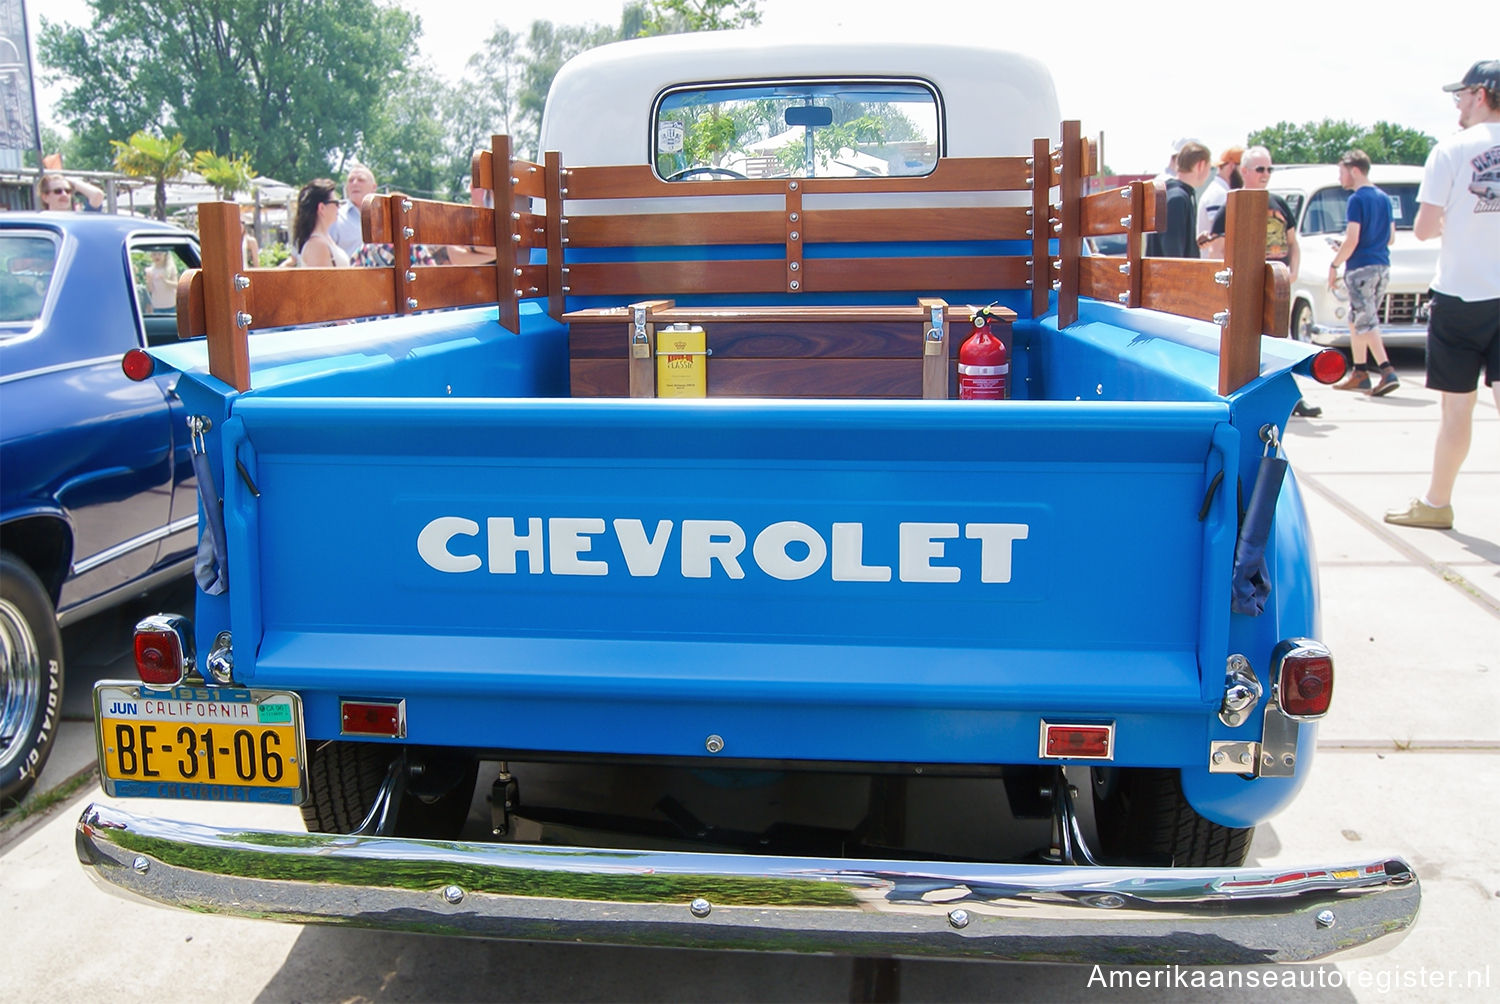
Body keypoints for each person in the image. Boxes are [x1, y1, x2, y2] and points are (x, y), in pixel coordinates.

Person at [1385, 59, 1500, 531]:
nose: (1458, 104)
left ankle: (1437, 503)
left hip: (1461, 294)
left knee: (1458, 406)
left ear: (1481, 94)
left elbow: (1426, 227)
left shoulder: (1451, 151)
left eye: (1461, 95)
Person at [1205, 145, 1321, 418]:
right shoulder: (1231, 206)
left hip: (1276, 284)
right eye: (1260, 169)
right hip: (1245, 287)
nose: (1266, 174)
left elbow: (1293, 242)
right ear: (1244, 171)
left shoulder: (1279, 205)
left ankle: (1292, 399)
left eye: (1270, 168)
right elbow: (1215, 249)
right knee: (1247, 346)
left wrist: (1292, 272)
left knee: (1281, 341)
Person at [1328, 149, 1400, 396]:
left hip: (1361, 268)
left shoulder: (1356, 200)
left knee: (1366, 320)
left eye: (1342, 172)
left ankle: (1386, 369)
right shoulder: (1384, 198)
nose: (1340, 178)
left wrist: (1335, 264)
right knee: (1356, 318)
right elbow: (1390, 237)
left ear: (1354, 170)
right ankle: (1360, 372)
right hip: (1382, 265)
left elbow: (1352, 239)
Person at [1147, 142, 1211, 258]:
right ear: (1200, 165)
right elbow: (1173, 256)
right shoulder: (1178, 199)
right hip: (1170, 275)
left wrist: (1192, 244)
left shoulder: (1170, 193)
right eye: (1209, 168)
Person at [1195, 146, 1243, 253]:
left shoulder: (1219, 191)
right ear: (1231, 166)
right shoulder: (1220, 195)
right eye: (1243, 168)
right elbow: (1220, 240)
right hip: (1215, 266)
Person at [293, 179, 350, 267]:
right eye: (336, 203)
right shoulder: (317, 246)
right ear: (322, 208)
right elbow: (323, 280)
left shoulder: (324, 240)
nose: (339, 207)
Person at [328, 164, 377, 259]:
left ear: (373, 187)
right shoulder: (335, 217)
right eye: (350, 180)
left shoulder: (384, 217)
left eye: (361, 180)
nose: (354, 183)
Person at [37, 173, 104, 212]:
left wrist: (73, 182)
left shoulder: (77, 220)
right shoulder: (41, 223)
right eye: (58, 191)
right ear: (45, 197)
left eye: (68, 191)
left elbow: (97, 195)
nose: (64, 194)